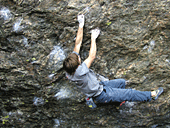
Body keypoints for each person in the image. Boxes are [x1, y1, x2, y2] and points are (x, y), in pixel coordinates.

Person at [63, 14, 163, 109]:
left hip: (100, 86)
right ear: (77, 65)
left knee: (121, 83)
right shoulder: (80, 72)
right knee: (129, 93)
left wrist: (81, 24)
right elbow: (92, 56)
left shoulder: (70, 69)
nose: (79, 57)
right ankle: (151, 95)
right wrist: (93, 38)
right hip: (101, 94)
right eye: (79, 59)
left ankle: (119, 101)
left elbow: (77, 44)